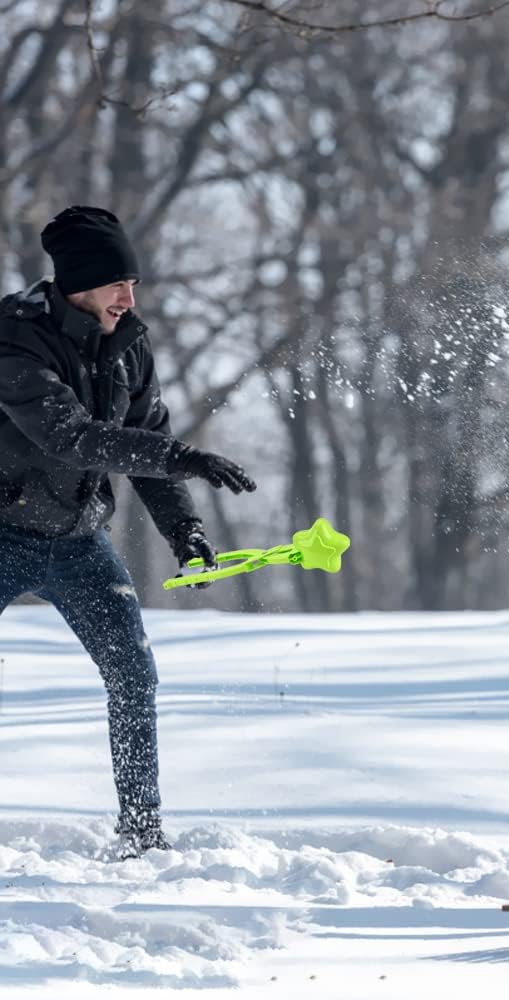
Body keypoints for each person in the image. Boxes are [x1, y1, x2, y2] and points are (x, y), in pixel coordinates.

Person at [0, 206, 256, 860]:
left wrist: (184, 528)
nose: (129, 297)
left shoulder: (129, 345)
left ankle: (142, 831)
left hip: (80, 539)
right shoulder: (15, 337)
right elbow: (70, 436)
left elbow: (146, 438)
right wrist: (180, 458)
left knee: (134, 675)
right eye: (118, 283)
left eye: (133, 284)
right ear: (79, 281)